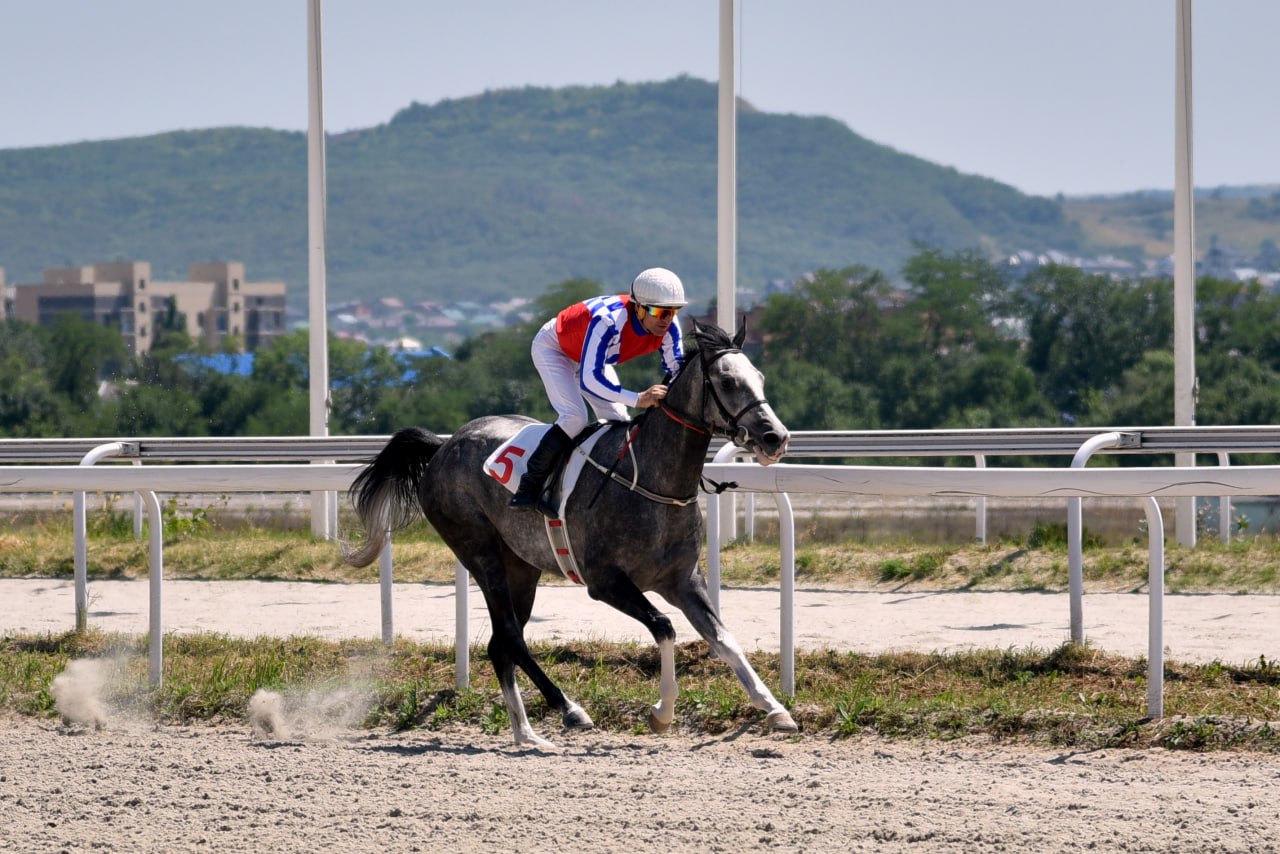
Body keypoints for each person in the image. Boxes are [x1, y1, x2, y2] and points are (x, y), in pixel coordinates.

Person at [510, 267, 688, 514]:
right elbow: (589, 379)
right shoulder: (608, 320)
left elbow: (677, 369)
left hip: (592, 358)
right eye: (658, 311)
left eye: (673, 311)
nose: (665, 319)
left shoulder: (669, 325)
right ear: (637, 306)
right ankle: (529, 489)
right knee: (575, 418)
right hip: (555, 350)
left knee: (620, 420)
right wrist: (638, 399)